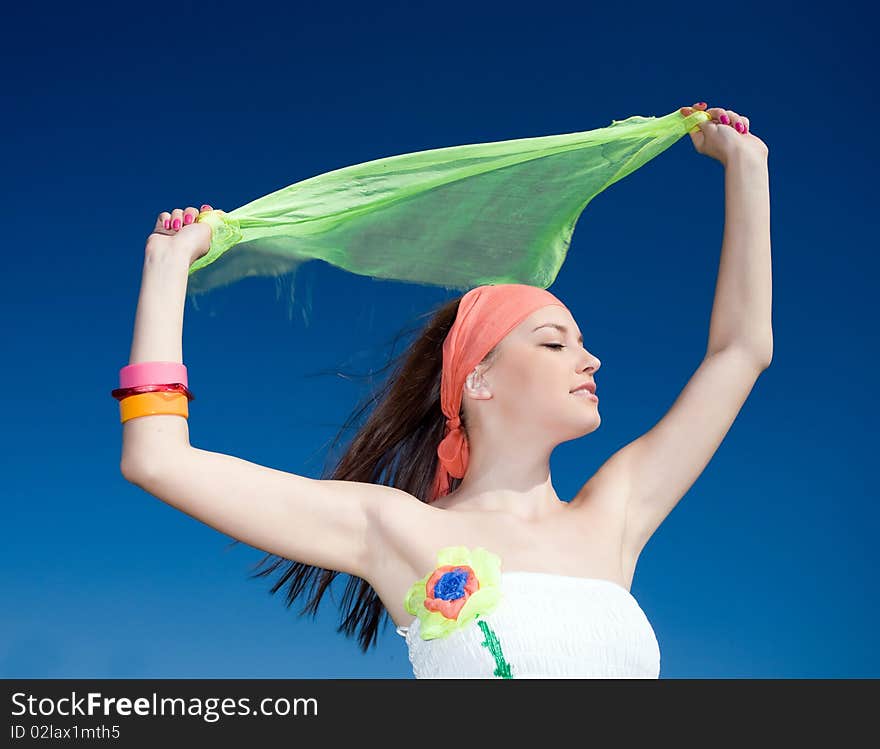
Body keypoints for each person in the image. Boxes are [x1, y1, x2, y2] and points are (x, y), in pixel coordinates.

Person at [117, 103, 772, 678]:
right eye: (553, 341)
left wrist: (747, 165)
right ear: (477, 380)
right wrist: (168, 265)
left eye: (580, 342)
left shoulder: (615, 514)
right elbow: (157, 459)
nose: (590, 359)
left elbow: (740, 351)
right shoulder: (396, 527)